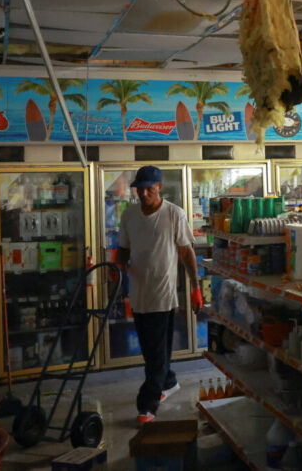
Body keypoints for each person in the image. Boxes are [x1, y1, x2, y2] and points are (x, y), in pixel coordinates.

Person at [116, 165, 203, 424]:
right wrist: (117, 272)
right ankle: (169, 381)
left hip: (163, 295)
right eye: (139, 189)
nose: (143, 194)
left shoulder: (174, 214)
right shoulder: (129, 215)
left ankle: (148, 405)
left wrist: (196, 287)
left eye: (148, 189)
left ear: (159, 187)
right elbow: (122, 249)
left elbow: (186, 253)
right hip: (138, 294)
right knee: (153, 352)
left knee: (155, 354)